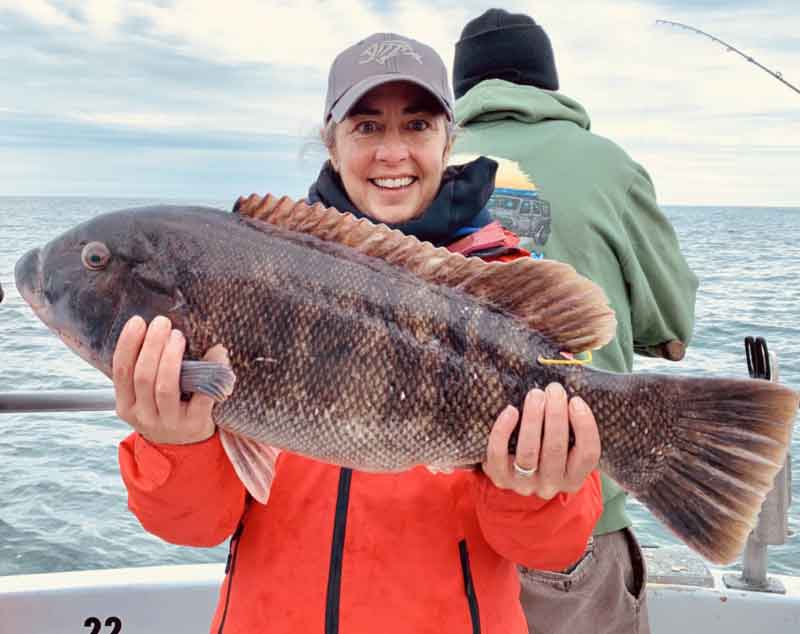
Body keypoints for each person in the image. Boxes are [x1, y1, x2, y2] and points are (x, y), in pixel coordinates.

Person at [114, 32, 603, 633]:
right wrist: (176, 443)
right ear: (332, 140)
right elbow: (193, 527)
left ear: (448, 140)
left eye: (417, 125)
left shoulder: (503, 291)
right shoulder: (242, 274)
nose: (393, 152)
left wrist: (531, 483)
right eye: (367, 127)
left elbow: (550, 549)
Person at [451, 9, 699, 634]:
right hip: (578, 513)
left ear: (460, 91)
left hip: (438, 532)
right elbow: (671, 326)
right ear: (548, 81)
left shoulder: (408, 168)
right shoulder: (608, 165)